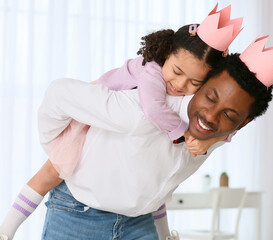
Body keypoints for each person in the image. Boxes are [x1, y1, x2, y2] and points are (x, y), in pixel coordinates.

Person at [0, 4, 245, 240]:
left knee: (149, 175)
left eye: (194, 83)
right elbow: (153, 108)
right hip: (90, 116)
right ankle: (6, 230)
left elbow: (157, 185)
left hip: (135, 213)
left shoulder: (187, 102)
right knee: (54, 170)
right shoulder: (152, 71)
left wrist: (210, 138)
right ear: (166, 55)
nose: (180, 85)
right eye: (178, 72)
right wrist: (185, 135)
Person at [23, 36, 273, 240]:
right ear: (202, 84)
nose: (210, 116)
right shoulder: (140, 110)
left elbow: (158, 186)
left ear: (243, 123)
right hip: (80, 213)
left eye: (229, 114)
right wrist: (56, 147)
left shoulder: (218, 133)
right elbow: (58, 93)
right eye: (210, 96)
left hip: (139, 222)